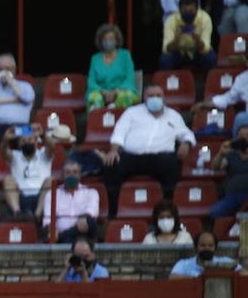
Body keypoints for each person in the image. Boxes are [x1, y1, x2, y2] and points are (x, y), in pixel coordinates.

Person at [102, 84, 195, 219]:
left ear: (164, 98)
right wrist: (113, 151)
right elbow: (119, 133)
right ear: (144, 98)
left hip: (161, 159)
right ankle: (112, 213)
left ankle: (168, 211)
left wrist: (186, 144)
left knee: (171, 164)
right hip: (132, 157)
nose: (155, 99)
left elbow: (187, 134)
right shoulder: (131, 112)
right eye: (151, 96)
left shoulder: (173, 116)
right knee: (111, 165)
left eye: (158, 96)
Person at [43, 160, 100, 243]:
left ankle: (66, 237)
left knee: (89, 222)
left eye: (75, 172)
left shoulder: (91, 192)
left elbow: (91, 212)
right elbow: (47, 220)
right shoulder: (52, 194)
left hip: (82, 234)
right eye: (68, 172)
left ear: (80, 175)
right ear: (63, 175)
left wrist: (82, 220)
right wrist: (53, 231)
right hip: (59, 235)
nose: (71, 175)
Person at [86, 23, 138, 111]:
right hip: (101, 92)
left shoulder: (125, 55)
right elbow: (91, 81)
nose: (107, 41)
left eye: (111, 39)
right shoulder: (95, 58)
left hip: (122, 91)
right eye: (105, 39)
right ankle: (97, 123)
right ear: (100, 41)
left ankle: (117, 120)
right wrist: (103, 92)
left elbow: (129, 78)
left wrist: (116, 92)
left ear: (116, 41)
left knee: (125, 97)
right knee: (94, 98)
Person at [161, 0, 216, 73]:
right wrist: (176, 40)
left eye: (191, 11)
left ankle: (209, 83)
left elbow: (205, 48)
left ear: (197, 9)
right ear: (179, 10)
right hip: (179, 52)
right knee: (165, 59)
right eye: (184, 11)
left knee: (210, 57)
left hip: (197, 52)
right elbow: (166, 49)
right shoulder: (171, 20)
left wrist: (197, 39)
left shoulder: (205, 18)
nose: (187, 13)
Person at [193, 68, 248, 138]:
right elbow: (228, 98)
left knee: (241, 118)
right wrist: (203, 104)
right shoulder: (243, 78)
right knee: (241, 121)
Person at [210, 125, 248, 219]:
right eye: (241, 136)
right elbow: (215, 167)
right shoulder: (231, 154)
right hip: (233, 197)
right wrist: (221, 153)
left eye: (247, 135)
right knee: (216, 212)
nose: (244, 139)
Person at [170, 230, 242, 276]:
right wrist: (199, 278)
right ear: (196, 247)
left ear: (215, 248)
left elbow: (244, 273)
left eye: (210, 246)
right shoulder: (184, 264)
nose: (206, 248)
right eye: (202, 245)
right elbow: (173, 277)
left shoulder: (226, 262)